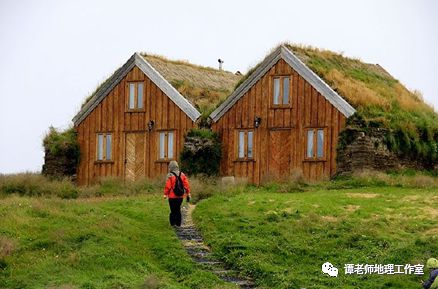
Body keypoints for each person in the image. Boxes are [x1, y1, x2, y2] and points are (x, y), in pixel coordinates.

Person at [163, 160, 191, 227]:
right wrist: (188, 193)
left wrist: (165, 194)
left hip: (172, 197)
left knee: (173, 210)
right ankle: (178, 224)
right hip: (180, 196)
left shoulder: (170, 175)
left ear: (170, 167)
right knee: (178, 209)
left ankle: (173, 224)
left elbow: (168, 186)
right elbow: (186, 185)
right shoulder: (182, 174)